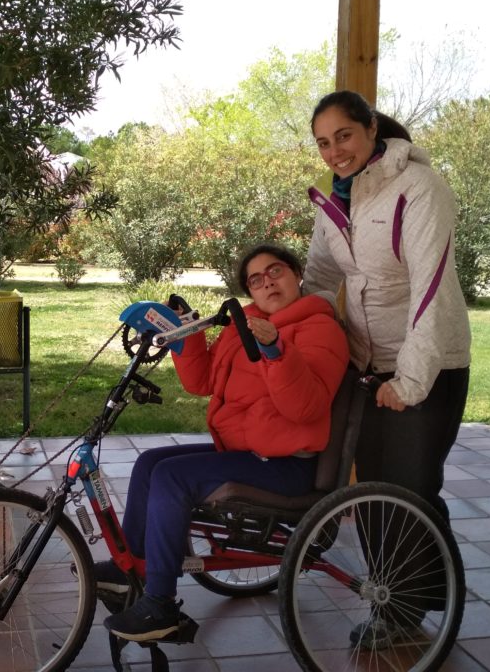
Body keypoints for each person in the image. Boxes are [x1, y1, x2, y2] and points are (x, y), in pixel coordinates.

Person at [98, 243, 349, 643]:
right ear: (250, 292)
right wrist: (183, 335)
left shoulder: (320, 329)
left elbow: (306, 408)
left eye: (276, 271)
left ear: (297, 274)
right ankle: (129, 568)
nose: (267, 282)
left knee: (174, 479)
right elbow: (204, 382)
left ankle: (161, 603)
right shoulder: (246, 322)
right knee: (149, 464)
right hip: (246, 452)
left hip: (287, 464)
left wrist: (275, 351)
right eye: (256, 279)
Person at [303, 89, 471, 649]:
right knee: (378, 491)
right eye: (323, 143)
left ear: (371, 128)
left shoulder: (418, 187)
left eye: (343, 136)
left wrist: (411, 381)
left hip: (427, 366)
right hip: (367, 366)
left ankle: (408, 611)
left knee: (411, 488)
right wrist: (279, 323)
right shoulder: (338, 201)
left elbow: (432, 288)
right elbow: (318, 281)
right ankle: (415, 596)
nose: (334, 152)